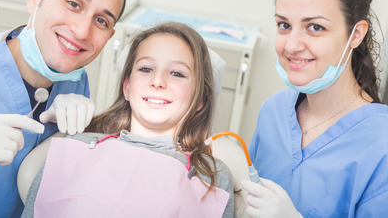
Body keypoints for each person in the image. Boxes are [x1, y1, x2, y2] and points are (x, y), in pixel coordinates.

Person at [0, 0, 127, 217]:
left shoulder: (76, 81)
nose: (82, 31)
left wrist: (76, 137)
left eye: (101, 21)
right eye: (73, 4)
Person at [241, 0, 388, 217]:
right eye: (284, 25)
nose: (292, 45)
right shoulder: (274, 112)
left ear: (356, 35)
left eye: (315, 27)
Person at [21, 22, 235, 217]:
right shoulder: (77, 147)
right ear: (127, 87)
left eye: (177, 73)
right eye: (145, 69)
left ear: (201, 100)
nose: (158, 81)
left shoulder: (211, 177)